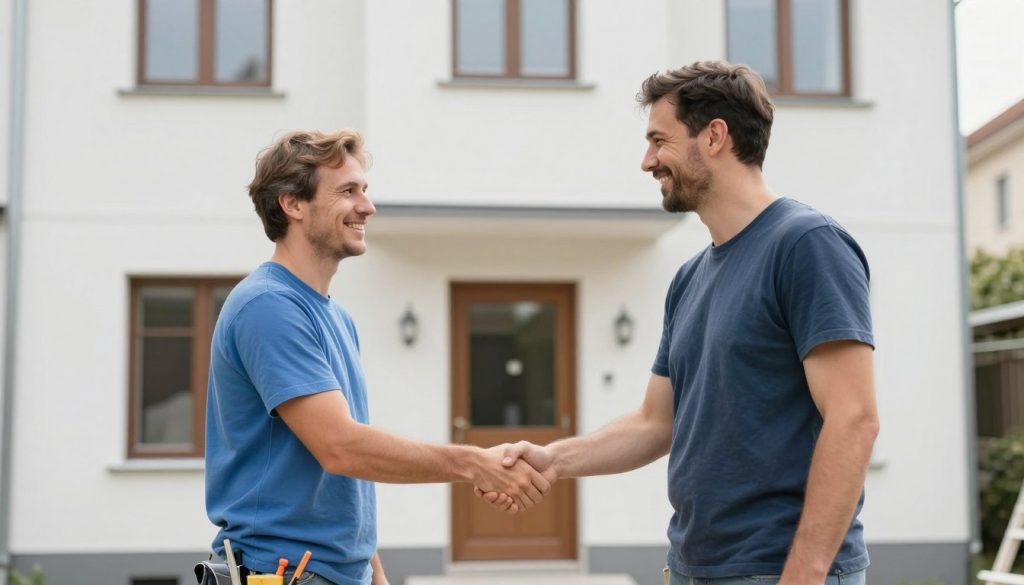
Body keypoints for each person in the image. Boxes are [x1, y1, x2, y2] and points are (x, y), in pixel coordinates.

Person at [479, 61, 879, 585]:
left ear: (714, 136)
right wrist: (554, 459)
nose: (647, 162)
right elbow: (655, 422)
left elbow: (853, 419)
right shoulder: (690, 278)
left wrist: (804, 573)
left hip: (775, 571)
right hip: (695, 567)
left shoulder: (806, 245)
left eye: (658, 140)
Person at [205, 130, 550, 585]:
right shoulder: (267, 307)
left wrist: (373, 570)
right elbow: (340, 447)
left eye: (364, 191)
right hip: (283, 572)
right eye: (348, 191)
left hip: (336, 573)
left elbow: (347, 475)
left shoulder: (337, 319)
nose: (367, 207)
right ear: (292, 204)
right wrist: (474, 464)